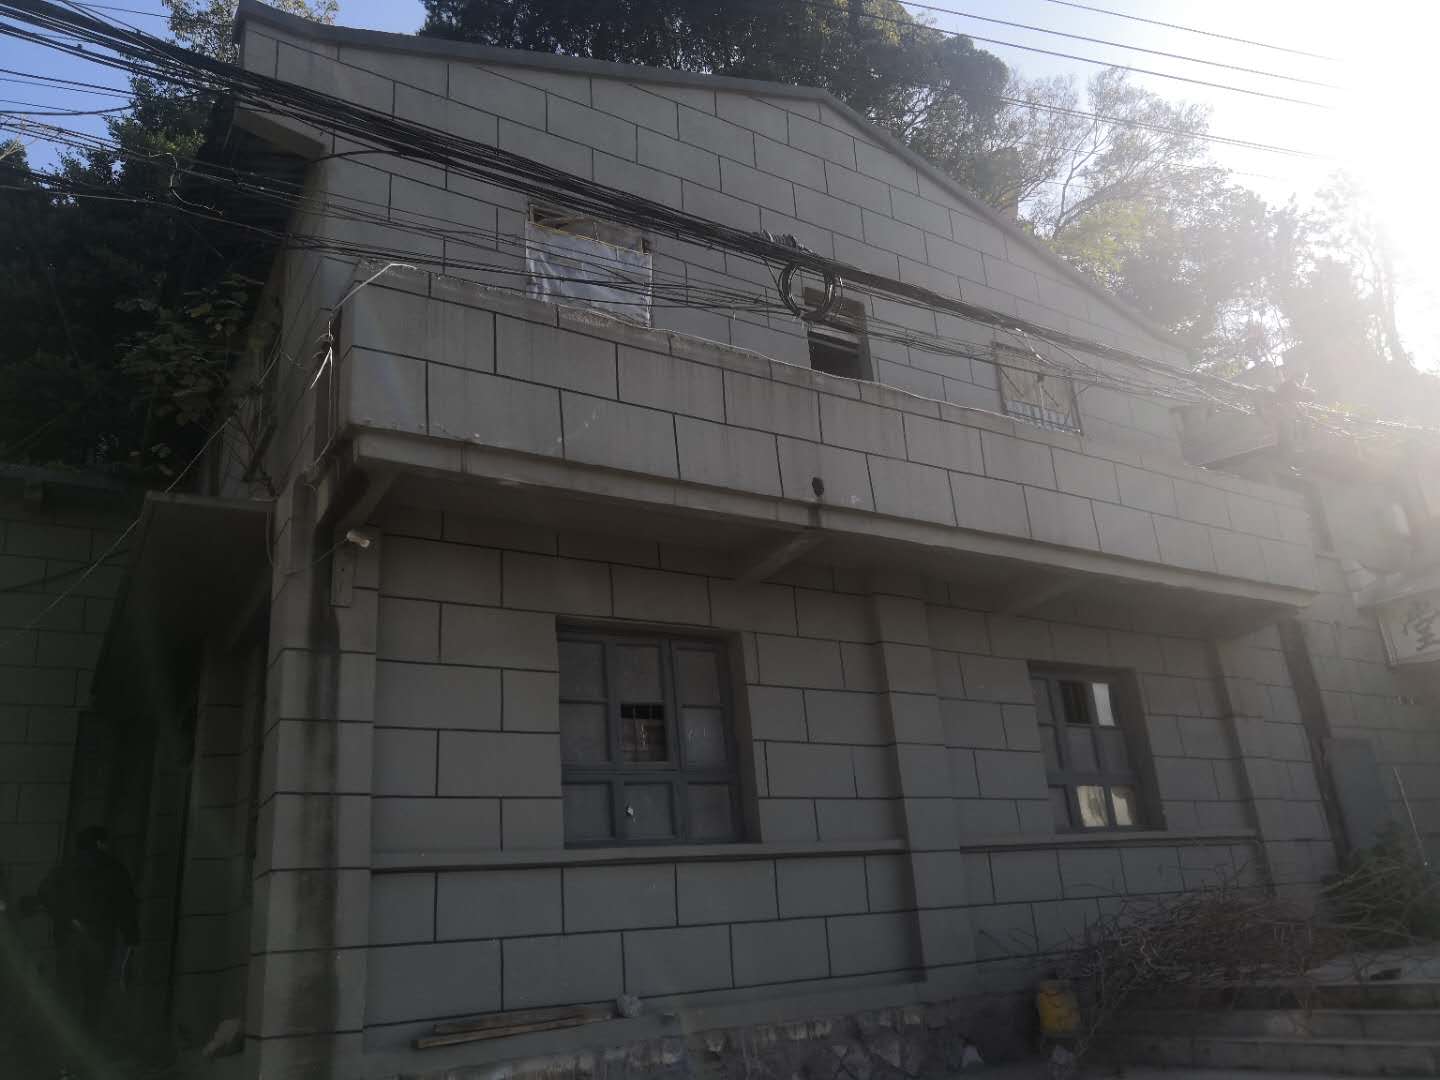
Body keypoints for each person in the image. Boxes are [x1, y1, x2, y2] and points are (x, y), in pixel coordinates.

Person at [22, 826, 139, 1033]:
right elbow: (126, 906)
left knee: (67, 993)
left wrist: (68, 918)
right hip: (100, 939)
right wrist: (131, 938)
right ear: (100, 843)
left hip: (68, 938)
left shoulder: (65, 867)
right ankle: (88, 1039)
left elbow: (45, 894)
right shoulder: (114, 868)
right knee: (93, 996)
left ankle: (65, 1044)